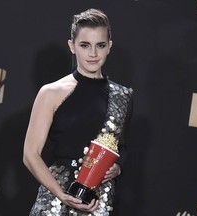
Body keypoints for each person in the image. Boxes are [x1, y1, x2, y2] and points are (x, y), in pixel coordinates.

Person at [23, 8, 133, 215]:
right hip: (56, 201)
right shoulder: (51, 93)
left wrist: (117, 167)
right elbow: (30, 154)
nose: (93, 53)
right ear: (72, 46)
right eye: (85, 45)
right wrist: (61, 194)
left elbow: (121, 147)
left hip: (99, 199)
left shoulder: (122, 96)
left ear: (109, 46)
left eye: (100, 45)